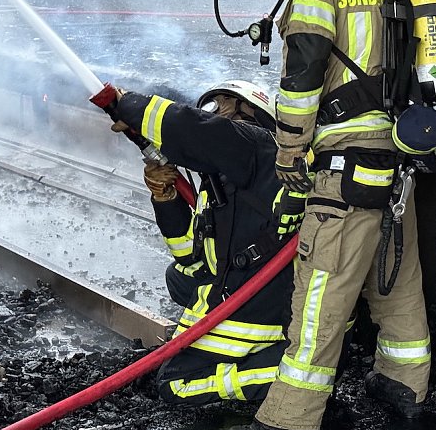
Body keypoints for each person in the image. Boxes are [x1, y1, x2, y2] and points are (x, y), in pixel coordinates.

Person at [225, 0, 432, 430]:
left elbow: (306, 61)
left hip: (343, 164)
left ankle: (288, 421)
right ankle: (404, 385)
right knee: (397, 281)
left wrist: (290, 147)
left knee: (320, 292)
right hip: (395, 158)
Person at [108, 80, 305, 404]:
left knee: (174, 383)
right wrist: (166, 199)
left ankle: (291, 370)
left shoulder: (260, 147)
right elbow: (190, 257)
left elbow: (194, 129)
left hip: (269, 302)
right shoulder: (221, 184)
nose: (217, 114)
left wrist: (127, 105)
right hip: (248, 284)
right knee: (177, 278)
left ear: (253, 113)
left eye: (225, 106)